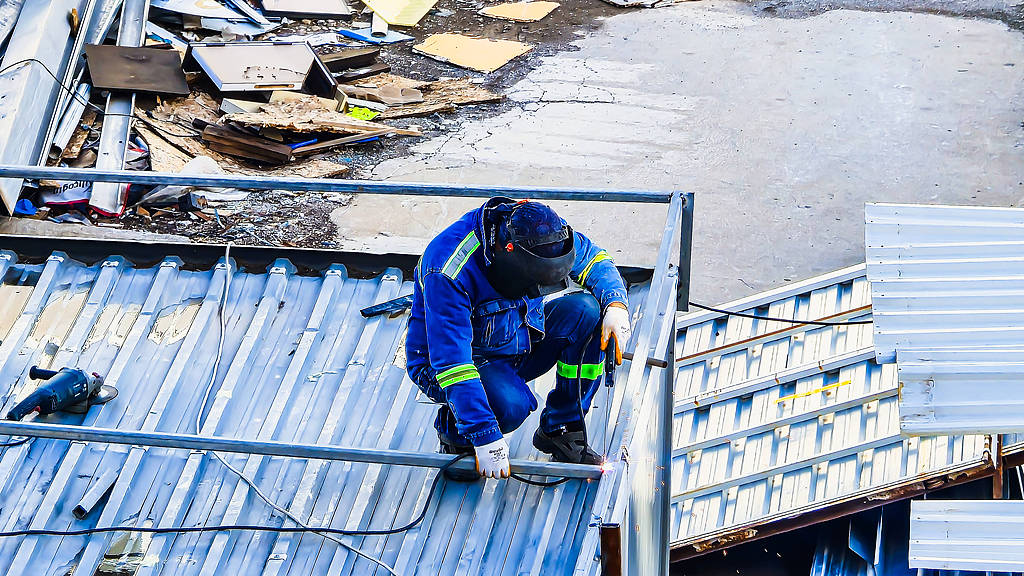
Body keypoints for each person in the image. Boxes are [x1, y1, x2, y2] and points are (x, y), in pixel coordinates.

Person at [405, 197, 632, 481]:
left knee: (587, 310)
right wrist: (484, 435)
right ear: (508, 252)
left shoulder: (545, 230)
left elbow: (596, 260)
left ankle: (561, 429)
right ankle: (457, 436)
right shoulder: (449, 269)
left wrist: (616, 305)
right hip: (458, 362)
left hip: (519, 338)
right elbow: (452, 363)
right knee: (511, 407)